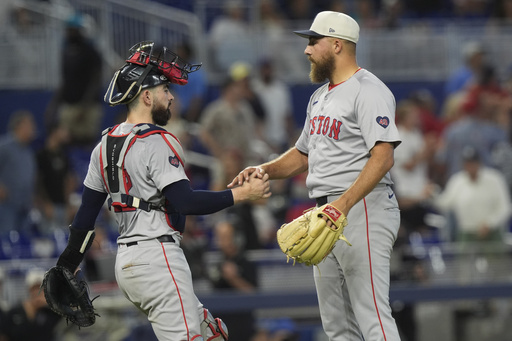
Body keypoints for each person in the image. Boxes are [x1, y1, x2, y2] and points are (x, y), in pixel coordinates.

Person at [51, 41, 271, 341]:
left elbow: (86, 216)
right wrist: (243, 194)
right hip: (157, 257)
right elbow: (186, 201)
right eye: (165, 90)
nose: (171, 97)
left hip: (128, 265)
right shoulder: (157, 141)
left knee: (213, 335)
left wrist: (66, 264)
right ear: (145, 96)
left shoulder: (103, 146)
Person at [229, 11, 402, 341]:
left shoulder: (368, 90)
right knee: (336, 324)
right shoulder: (320, 96)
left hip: (362, 206)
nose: (307, 50)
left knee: (372, 314)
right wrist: (264, 169)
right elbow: (302, 154)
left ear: (337, 45)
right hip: (326, 213)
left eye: (313, 41)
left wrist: (343, 204)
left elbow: (383, 156)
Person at [0, 110, 37, 238]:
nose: (33, 128)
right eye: (30, 124)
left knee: (23, 241)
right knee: (6, 238)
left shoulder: (28, 151)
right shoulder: (4, 146)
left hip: (24, 206)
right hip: (6, 205)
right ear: (19, 126)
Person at [0, 268, 61, 341]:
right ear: (29, 290)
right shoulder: (14, 312)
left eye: (41, 288)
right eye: (34, 288)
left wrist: (50, 305)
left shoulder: (51, 312)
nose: (37, 292)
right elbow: (4, 336)